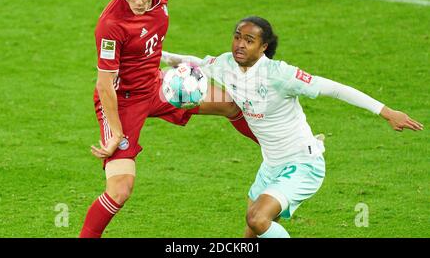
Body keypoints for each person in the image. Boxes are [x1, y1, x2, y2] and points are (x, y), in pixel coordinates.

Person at [161, 16, 423, 238]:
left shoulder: (281, 75)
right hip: (271, 165)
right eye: (237, 36)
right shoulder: (227, 64)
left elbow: (335, 89)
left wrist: (386, 112)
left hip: (303, 163)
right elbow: (194, 62)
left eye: (249, 41)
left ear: (263, 47)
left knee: (257, 218)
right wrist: (156, 55)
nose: (240, 45)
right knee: (251, 232)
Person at [79, 0, 257, 238]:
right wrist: (114, 132)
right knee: (120, 190)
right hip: (122, 101)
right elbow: (104, 86)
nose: (139, 1)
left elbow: (150, 39)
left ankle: (282, 153)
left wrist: (171, 62)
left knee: (231, 103)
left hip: (159, 85)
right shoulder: (111, 26)